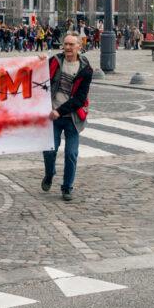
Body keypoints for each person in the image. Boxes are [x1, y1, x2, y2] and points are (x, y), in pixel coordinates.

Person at [41, 32, 93, 201]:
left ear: (79, 46)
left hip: (72, 117)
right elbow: (37, 76)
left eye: (72, 44)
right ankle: (49, 174)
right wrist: (39, 61)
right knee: (50, 150)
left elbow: (80, 99)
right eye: (66, 44)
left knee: (71, 153)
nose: (68, 47)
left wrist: (60, 111)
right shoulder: (55, 62)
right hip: (53, 116)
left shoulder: (86, 69)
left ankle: (67, 187)